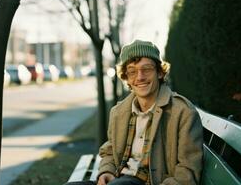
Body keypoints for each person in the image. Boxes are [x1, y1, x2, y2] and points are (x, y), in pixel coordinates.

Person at [65, 40, 203, 185]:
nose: (140, 77)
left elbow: (187, 172)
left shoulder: (183, 112)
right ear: (126, 78)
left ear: (160, 73)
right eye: (132, 71)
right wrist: (107, 171)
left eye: (147, 69)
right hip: (118, 178)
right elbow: (110, 151)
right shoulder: (118, 112)